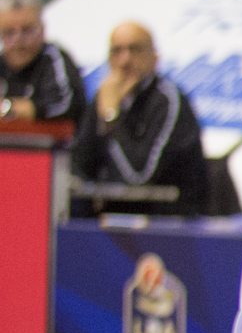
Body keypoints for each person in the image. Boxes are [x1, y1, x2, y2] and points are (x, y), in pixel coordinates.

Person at [70, 21, 210, 216]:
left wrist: (111, 119)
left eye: (134, 50)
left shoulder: (168, 100)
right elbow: (80, 165)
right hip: (112, 215)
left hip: (167, 219)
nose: (125, 60)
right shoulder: (105, 97)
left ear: (154, 58)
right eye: (117, 51)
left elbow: (139, 178)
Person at [0, 0, 84, 123]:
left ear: (42, 30)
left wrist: (19, 110)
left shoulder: (54, 59)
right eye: (9, 32)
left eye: (26, 30)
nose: (18, 40)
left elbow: (69, 106)